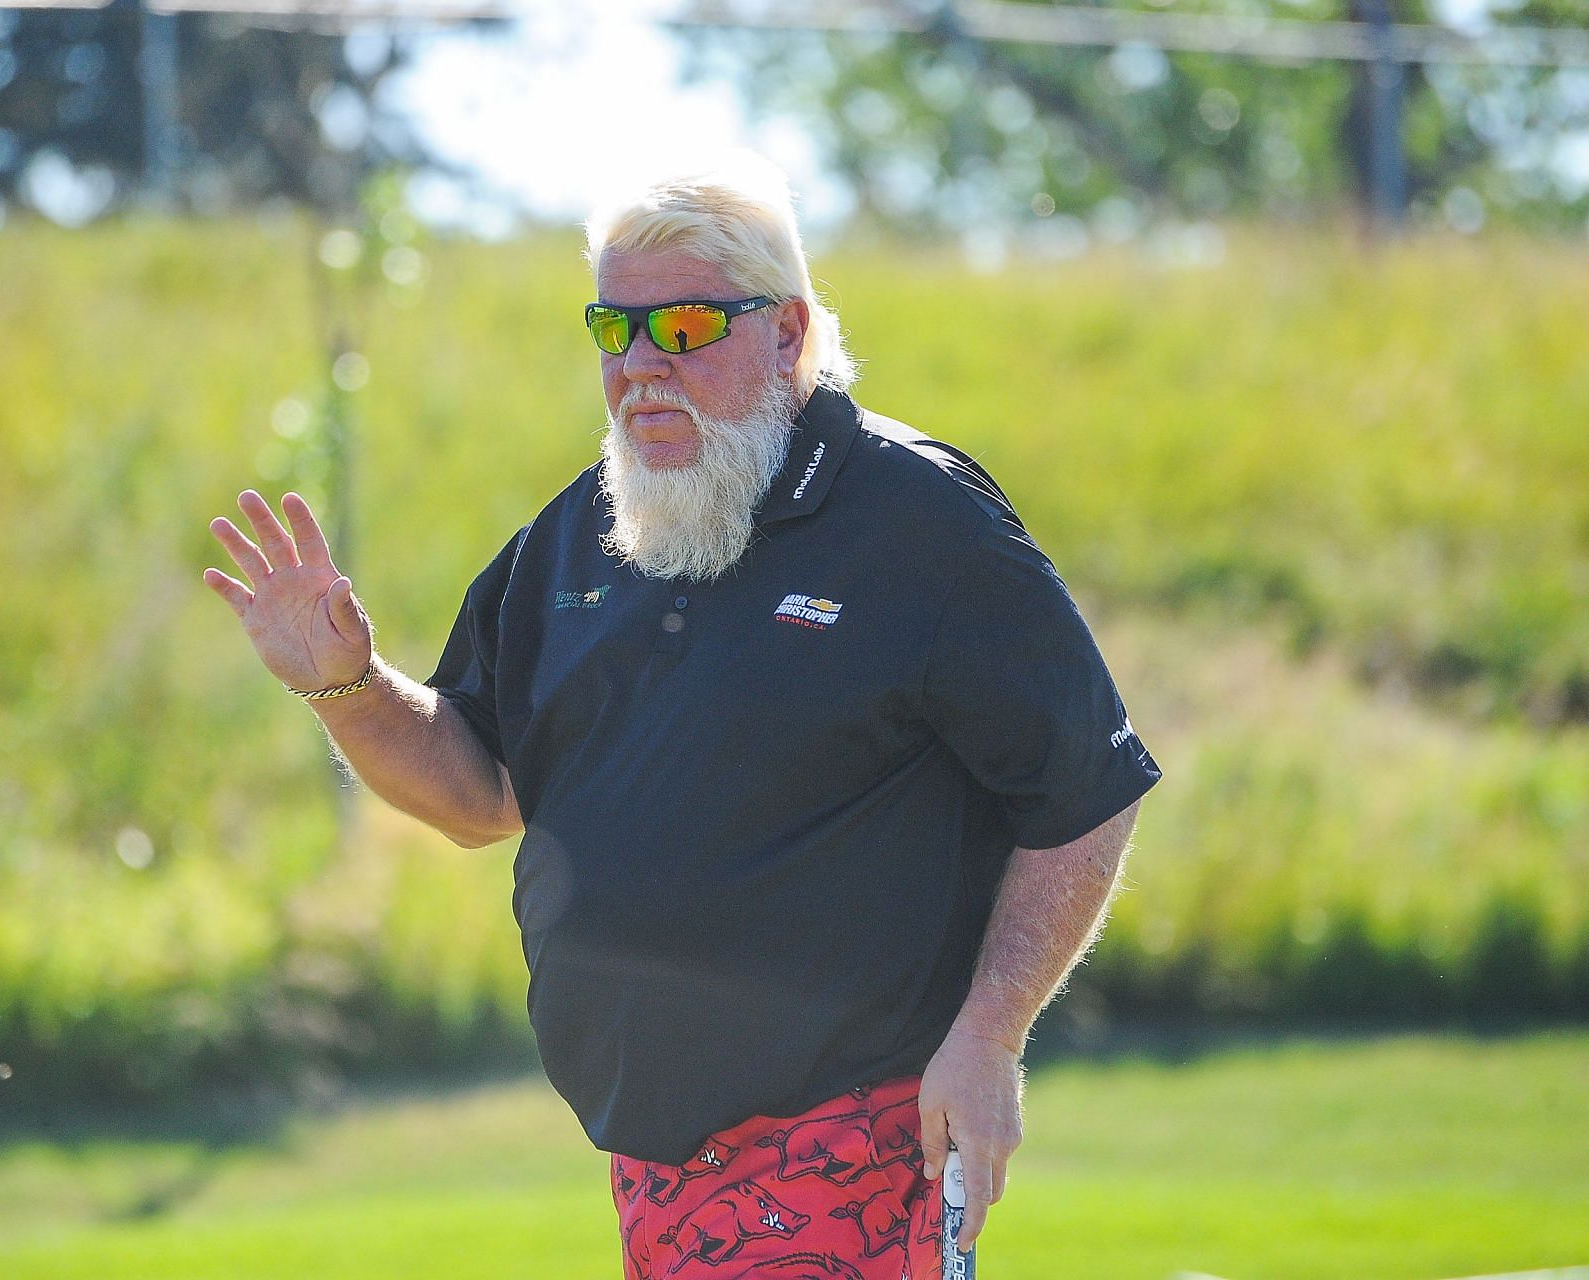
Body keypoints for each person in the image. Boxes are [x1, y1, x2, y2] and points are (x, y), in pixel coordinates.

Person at [204, 152, 1161, 1280]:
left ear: (789, 329)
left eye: (690, 325)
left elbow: (1084, 798)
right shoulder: (581, 532)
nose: (644, 365)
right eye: (616, 330)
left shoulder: (923, 522)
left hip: (856, 1138)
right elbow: (479, 794)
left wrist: (990, 1034)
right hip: (657, 1166)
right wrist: (347, 687)